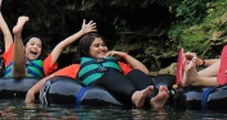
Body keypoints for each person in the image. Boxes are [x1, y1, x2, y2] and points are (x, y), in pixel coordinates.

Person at [0, 0, 96, 80]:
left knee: (19, 70)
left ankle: (18, 33)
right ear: (25, 47)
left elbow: (61, 46)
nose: (35, 47)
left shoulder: (45, 63)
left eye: (39, 46)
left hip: (27, 81)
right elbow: (6, 33)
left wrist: (81, 32)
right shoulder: (12, 54)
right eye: (32, 44)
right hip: (6, 81)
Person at [24, 33, 170, 109]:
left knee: (134, 73)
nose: (102, 48)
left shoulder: (115, 63)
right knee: (110, 74)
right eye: (97, 46)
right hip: (98, 86)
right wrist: (32, 91)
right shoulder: (77, 67)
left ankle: (153, 99)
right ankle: (135, 97)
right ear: (86, 51)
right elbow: (51, 78)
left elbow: (143, 72)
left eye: (103, 45)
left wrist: (124, 56)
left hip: (119, 84)